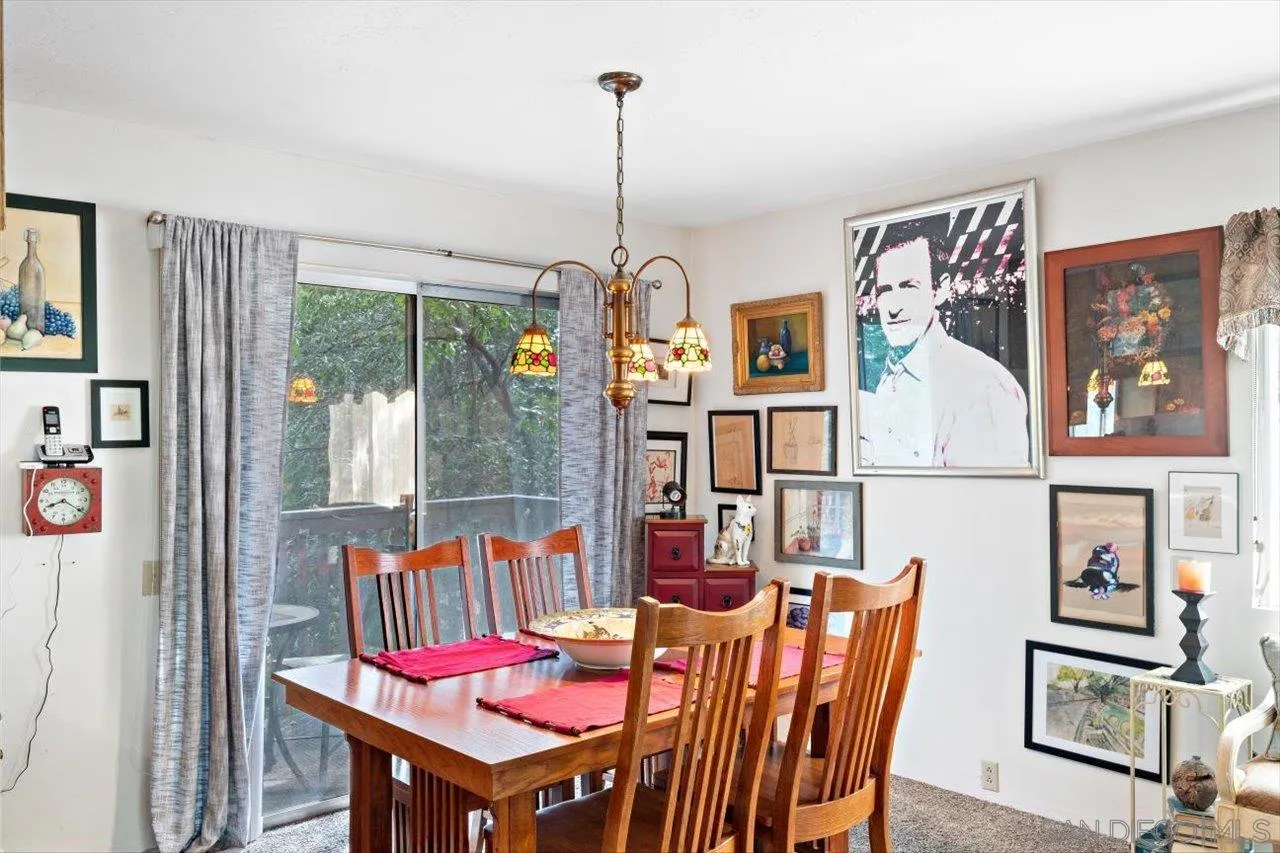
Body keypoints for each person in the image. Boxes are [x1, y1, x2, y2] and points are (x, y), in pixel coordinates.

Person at [858, 214, 1029, 468]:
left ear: (940, 289)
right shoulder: (888, 377)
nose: (893, 308)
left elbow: (990, 491)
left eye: (908, 287)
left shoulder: (981, 385)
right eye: (885, 290)